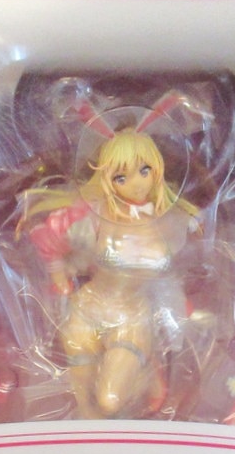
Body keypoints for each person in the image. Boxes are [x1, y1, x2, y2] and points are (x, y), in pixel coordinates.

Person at [16, 127, 200, 418]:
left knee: (110, 400)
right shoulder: (97, 216)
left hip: (133, 317)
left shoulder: (174, 221)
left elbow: (179, 269)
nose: (136, 184)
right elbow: (50, 238)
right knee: (87, 409)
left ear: (157, 169)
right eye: (121, 177)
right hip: (87, 311)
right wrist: (58, 274)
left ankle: (149, 367)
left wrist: (175, 303)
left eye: (144, 170)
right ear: (107, 180)